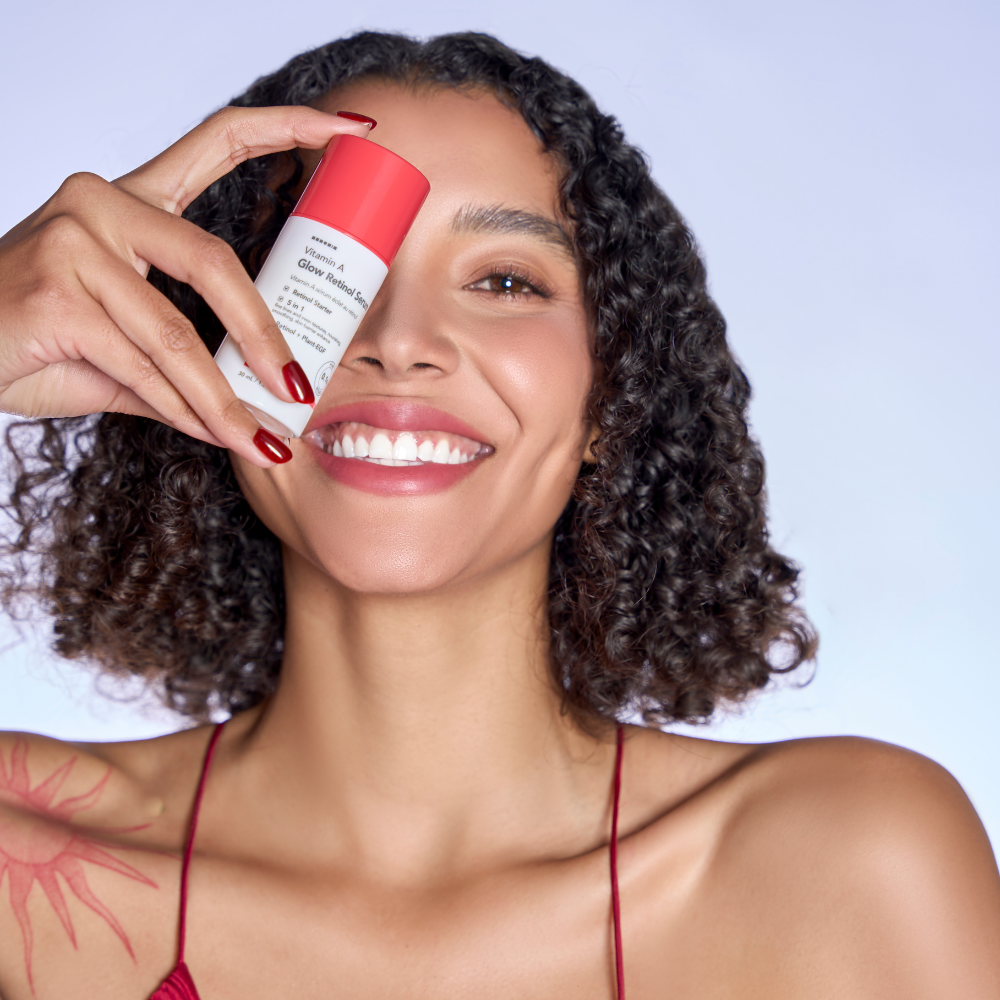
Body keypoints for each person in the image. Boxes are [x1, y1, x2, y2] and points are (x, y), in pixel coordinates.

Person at [0, 30, 997, 1000]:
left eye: (505, 281)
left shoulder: (846, 866)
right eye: (328, 271)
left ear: (612, 393)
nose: (397, 340)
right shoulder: (19, 855)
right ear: (195, 336)